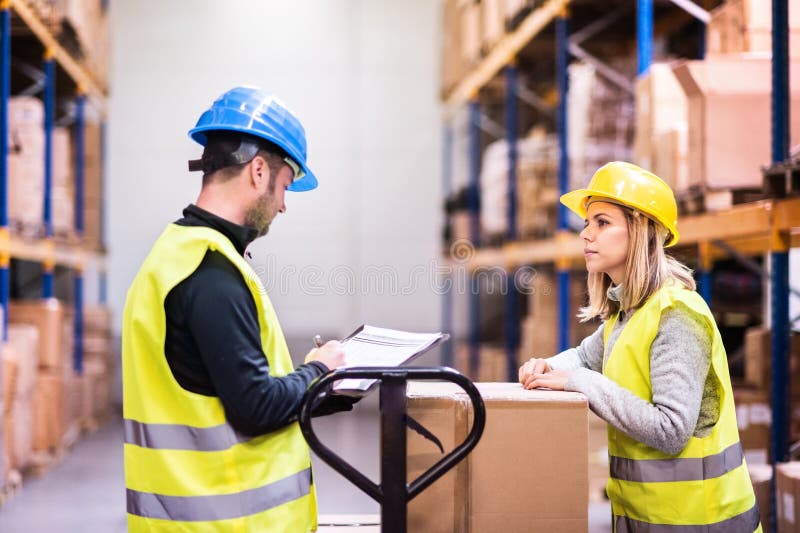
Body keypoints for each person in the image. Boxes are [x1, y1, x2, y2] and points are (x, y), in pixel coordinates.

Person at [122, 86, 348, 532]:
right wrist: (319, 372)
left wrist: (313, 386)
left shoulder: (178, 255)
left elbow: (219, 391)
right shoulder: (210, 273)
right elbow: (255, 407)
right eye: (285, 186)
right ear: (259, 171)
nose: (284, 205)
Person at [519, 162, 761, 532]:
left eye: (602, 222)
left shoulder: (675, 315)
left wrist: (580, 381)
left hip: (701, 521)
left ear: (641, 230)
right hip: (648, 519)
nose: (586, 234)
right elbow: (584, 357)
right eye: (587, 223)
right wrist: (545, 365)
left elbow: (670, 430)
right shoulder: (628, 313)